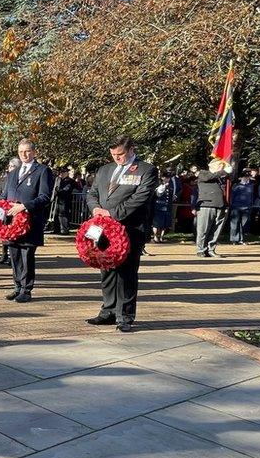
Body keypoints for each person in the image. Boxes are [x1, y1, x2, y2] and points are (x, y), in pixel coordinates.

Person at [86, 135, 159, 332]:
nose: (117, 158)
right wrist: (96, 210)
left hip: (130, 229)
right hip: (103, 230)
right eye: (113, 155)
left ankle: (125, 316)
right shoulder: (105, 170)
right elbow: (92, 194)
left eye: (121, 154)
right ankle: (108, 311)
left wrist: (112, 213)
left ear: (131, 149)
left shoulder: (146, 170)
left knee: (126, 274)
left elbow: (140, 198)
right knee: (107, 270)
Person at [1, 139, 53, 303]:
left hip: (30, 222)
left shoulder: (43, 171)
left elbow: (45, 197)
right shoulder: (13, 173)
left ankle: (26, 289)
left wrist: (24, 207)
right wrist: (0, 208)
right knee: (14, 255)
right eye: (21, 151)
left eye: (28, 151)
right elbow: (4, 195)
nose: (24, 154)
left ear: (34, 152)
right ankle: (17, 287)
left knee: (26, 256)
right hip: (12, 223)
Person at [195, 158, 232, 257]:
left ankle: (211, 249)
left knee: (216, 230)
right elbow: (209, 177)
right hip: (207, 204)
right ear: (212, 165)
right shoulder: (203, 173)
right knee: (203, 229)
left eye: (222, 166)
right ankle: (201, 249)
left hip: (220, 205)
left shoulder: (221, 177)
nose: (222, 167)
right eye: (220, 165)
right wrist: (223, 171)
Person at [0, 158, 21, 266]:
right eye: (9, 166)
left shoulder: (21, 178)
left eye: (12, 166)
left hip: (18, 211)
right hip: (6, 210)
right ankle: (4, 254)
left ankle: (12, 256)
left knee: (14, 235)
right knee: (5, 233)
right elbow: (3, 194)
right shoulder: (7, 179)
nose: (10, 168)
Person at [229, 173, 255, 244]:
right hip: (236, 207)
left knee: (244, 224)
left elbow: (252, 196)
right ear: (241, 178)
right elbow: (232, 196)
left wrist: (251, 205)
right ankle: (234, 239)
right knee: (234, 223)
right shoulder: (236, 186)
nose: (246, 178)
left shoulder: (250, 186)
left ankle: (241, 239)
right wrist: (231, 205)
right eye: (245, 177)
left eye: (247, 177)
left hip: (247, 207)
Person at [51, 167, 75, 234]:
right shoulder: (59, 180)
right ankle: (56, 229)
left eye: (63, 172)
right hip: (58, 200)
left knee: (63, 215)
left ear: (67, 173)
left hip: (65, 200)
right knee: (56, 214)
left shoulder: (70, 181)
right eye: (61, 172)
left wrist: (58, 191)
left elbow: (67, 190)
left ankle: (64, 230)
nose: (61, 174)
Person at [152, 172, 175, 243]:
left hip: (167, 206)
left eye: (169, 178)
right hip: (159, 207)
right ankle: (155, 237)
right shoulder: (159, 185)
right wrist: (163, 186)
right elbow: (158, 194)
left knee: (164, 224)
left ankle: (161, 237)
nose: (168, 179)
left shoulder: (170, 185)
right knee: (157, 223)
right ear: (162, 178)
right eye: (166, 177)